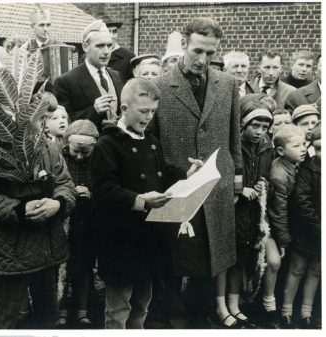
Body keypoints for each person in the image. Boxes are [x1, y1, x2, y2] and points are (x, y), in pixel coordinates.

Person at [150, 18, 243, 329]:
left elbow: (234, 136)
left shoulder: (227, 84)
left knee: (211, 251)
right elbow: (151, 140)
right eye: (197, 51)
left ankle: (202, 317)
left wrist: (237, 178)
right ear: (184, 47)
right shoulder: (160, 86)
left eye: (211, 53)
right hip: (177, 183)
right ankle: (173, 318)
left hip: (217, 183)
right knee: (175, 256)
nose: (203, 60)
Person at [91, 78, 203, 329]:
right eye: (143, 111)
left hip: (150, 238)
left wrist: (187, 174)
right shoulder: (107, 144)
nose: (149, 117)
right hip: (121, 241)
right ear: (123, 110)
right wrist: (139, 200)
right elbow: (103, 190)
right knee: (119, 306)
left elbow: (162, 170)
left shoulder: (151, 140)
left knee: (143, 303)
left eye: (153, 111)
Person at [0, 118, 76, 329]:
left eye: (41, 117)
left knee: (48, 311)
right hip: (10, 247)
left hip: (46, 244)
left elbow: (65, 184)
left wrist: (58, 203)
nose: (39, 122)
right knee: (7, 314)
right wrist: (20, 209)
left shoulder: (48, 147)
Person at [227, 98, 275, 329]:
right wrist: (240, 188)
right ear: (243, 124)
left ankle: (239, 303)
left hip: (254, 214)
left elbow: (269, 178)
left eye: (264, 127)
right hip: (235, 211)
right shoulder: (234, 145)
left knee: (247, 259)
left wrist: (262, 185)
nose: (259, 132)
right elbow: (224, 174)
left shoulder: (267, 147)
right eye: (255, 126)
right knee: (232, 261)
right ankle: (229, 306)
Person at [56, 119, 99, 329]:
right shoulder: (59, 159)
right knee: (61, 268)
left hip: (87, 223)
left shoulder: (99, 161)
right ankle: (61, 311)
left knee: (83, 268)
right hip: (64, 222)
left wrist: (91, 194)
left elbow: (105, 187)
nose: (80, 156)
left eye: (85, 152)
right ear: (66, 145)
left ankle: (82, 311)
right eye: (75, 151)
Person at [266, 124, 307, 328]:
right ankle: (271, 308)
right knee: (278, 264)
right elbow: (278, 212)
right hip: (274, 227)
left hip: (289, 226)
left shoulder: (297, 164)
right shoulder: (279, 175)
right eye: (297, 145)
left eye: (304, 144)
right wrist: (283, 240)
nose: (303, 149)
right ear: (281, 151)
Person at [281, 124, 321, 329]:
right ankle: (286, 311)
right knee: (297, 269)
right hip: (308, 231)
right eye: (319, 148)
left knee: (316, 271)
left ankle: (306, 312)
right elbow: (302, 202)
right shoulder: (308, 170)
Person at [54, 20, 124, 133]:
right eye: (100, 46)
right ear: (86, 47)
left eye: (109, 45)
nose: (106, 51)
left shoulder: (117, 76)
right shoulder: (66, 81)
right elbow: (61, 123)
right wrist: (93, 111)